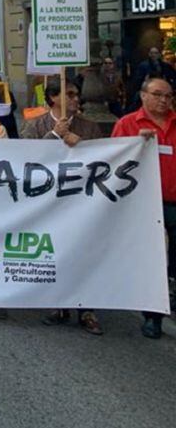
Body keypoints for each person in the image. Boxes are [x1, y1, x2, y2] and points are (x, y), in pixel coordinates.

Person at [21, 76, 103, 335]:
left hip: (80, 202)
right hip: (47, 203)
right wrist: (56, 135)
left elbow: (102, 158)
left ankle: (86, 308)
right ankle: (57, 304)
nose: (75, 99)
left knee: (81, 253)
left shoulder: (90, 127)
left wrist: (80, 146)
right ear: (53, 98)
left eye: (76, 94)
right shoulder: (34, 126)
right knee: (53, 252)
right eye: (69, 94)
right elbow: (25, 157)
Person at [110, 76, 176, 339]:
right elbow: (112, 162)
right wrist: (135, 144)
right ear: (143, 96)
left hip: (173, 201)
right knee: (153, 260)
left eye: (169, 95)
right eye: (158, 94)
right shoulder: (127, 124)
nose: (164, 100)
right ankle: (153, 316)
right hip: (143, 205)